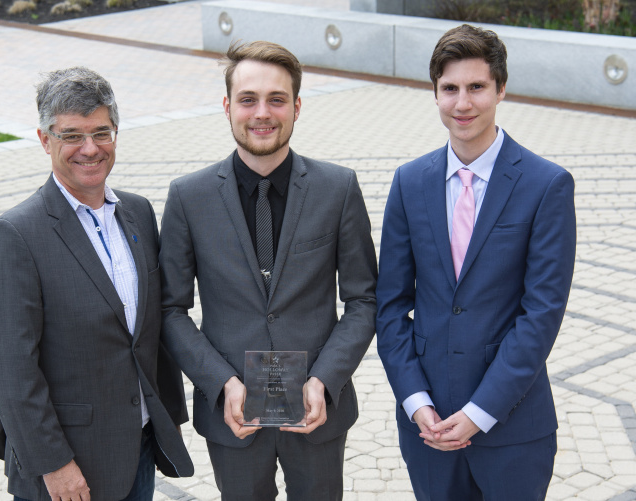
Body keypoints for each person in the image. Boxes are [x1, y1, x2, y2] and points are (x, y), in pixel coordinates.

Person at [159, 41, 377, 500]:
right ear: (227, 106)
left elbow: (363, 300)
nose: (263, 112)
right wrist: (220, 384)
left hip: (317, 410)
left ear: (297, 107)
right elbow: (170, 310)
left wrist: (325, 379)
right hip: (232, 415)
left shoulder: (338, 189)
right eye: (248, 99)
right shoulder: (188, 197)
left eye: (277, 99)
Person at [0, 66, 193, 501]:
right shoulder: (16, 235)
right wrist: (53, 463)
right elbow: (11, 369)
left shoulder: (139, 213)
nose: (90, 149)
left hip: (139, 447)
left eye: (102, 132)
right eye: (72, 135)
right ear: (44, 140)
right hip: (70, 467)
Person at [376, 24, 576, 500]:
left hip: (512, 431)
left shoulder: (546, 185)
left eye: (476, 87)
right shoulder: (409, 183)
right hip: (428, 431)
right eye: (449, 89)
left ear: (501, 89)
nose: (462, 103)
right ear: (436, 94)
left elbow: (541, 316)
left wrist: (480, 412)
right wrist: (414, 401)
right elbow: (389, 307)